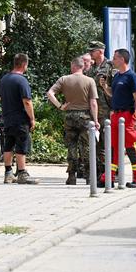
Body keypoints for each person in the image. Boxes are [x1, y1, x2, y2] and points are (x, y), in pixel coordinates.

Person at [98, 48, 136, 188]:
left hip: (128, 115)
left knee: (132, 147)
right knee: (113, 147)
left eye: (115, 58)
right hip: (116, 115)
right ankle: (108, 177)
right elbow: (113, 94)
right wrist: (104, 86)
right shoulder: (117, 76)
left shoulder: (131, 76)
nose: (113, 60)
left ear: (122, 59)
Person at [47, 57, 99, 185]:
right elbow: (93, 103)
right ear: (82, 66)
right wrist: (96, 120)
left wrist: (60, 106)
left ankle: (71, 175)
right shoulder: (89, 81)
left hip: (69, 116)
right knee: (86, 147)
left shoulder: (64, 79)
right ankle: (89, 176)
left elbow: (50, 93)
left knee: (71, 146)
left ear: (74, 66)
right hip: (85, 116)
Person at [0, 53, 39, 184]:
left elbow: (0, 97)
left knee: (8, 144)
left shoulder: (4, 79)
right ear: (24, 65)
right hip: (20, 119)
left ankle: (8, 173)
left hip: (7, 118)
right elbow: (27, 102)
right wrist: (32, 118)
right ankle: (22, 173)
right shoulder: (21, 80)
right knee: (22, 144)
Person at [86, 41, 115, 178]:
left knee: (108, 142)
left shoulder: (110, 66)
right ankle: (100, 172)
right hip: (93, 110)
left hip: (107, 110)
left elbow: (116, 89)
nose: (90, 53)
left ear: (100, 51)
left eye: (92, 51)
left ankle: (111, 172)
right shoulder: (91, 68)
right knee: (97, 144)